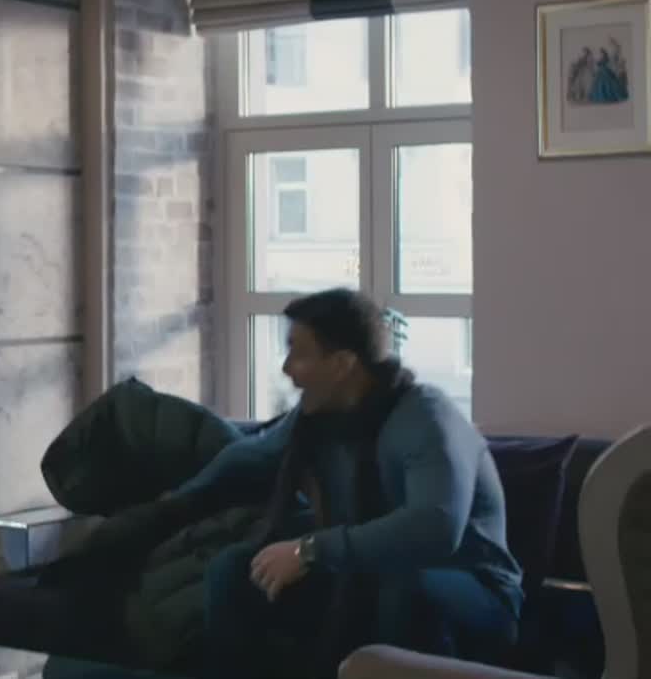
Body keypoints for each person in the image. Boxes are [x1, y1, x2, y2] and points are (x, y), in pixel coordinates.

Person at [168, 288, 523, 679]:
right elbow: (248, 457)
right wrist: (168, 506)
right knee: (235, 571)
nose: (286, 368)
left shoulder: (425, 418)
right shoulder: (316, 417)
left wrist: (311, 550)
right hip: (365, 573)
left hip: (475, 595)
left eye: (299, 353)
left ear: (341, 364)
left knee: (402, 585)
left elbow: (434, 529)